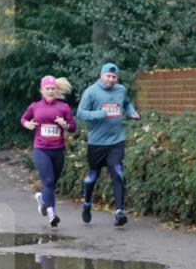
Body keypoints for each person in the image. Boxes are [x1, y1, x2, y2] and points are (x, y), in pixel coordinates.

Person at [76, 63, 141, 227]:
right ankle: (87, 204)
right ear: (101, 75)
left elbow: (125, 104)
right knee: (92, 177)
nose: (111, 80)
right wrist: (99, 114)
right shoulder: (91, 92)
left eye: (114, 77)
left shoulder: (121, 90)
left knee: (118, 172)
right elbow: (80, 112)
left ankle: (119, 212)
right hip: (97, 143)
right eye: (108, 76)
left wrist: (131, 111)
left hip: (116, 141)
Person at [21, 76, 77, 227]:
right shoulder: (35, 106)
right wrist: (28, 124)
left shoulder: (63, 107)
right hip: (41, 148)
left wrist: (65, 125)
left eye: (53, 88)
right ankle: (52, 214)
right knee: (49, 181)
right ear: (42, 90)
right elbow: (24, 118)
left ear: (56, 90)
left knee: (52, 184)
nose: (50, 91)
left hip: (58, 149)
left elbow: (73, 127)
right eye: (47, 88)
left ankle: (42, 199)